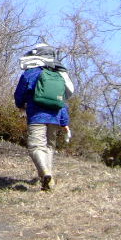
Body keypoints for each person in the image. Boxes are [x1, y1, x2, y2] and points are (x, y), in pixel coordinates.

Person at [13, 43, 75, 191]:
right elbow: (62, 101)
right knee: (49, 146)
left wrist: (20, 105)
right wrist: (64, 122)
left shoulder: (30, 72)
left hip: (36, 116)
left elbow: (19, 93)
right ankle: (49, 177)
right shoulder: (58, 73)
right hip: (55, 116)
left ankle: (45, 173)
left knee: (36, 146)